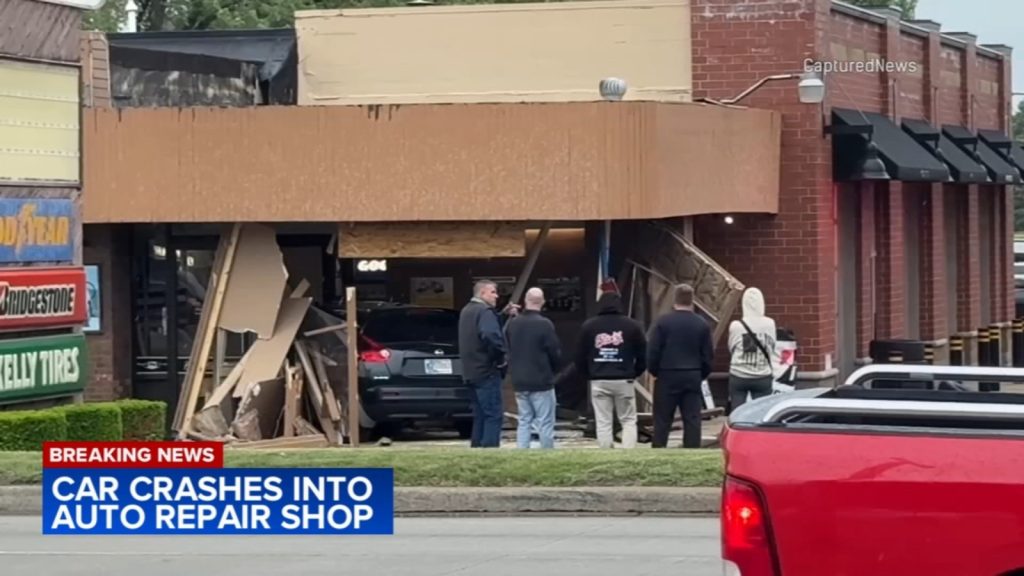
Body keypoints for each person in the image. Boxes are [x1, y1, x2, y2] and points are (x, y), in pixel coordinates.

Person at [576, 291, 646, 449]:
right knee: (628, 420)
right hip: (624, 379)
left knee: (603, 420)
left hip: (599, 380)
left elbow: (579, 356)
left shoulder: (589, 326)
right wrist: (635, 373)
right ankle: (628, 453)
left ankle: (606, 452)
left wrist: (588, 375)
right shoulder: (632, 326)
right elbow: (643, 354)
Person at [646, 283, 713, 449]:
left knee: (662, 418)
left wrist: (655, 371)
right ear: (692, 300)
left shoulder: (663, 323)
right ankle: (691, 450)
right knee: (692, 418)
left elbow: (653, 351)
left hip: (667, 373)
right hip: (692, 373)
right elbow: (708, 355)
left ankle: (659, 448)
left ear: (674, 299)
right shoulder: (701, 324)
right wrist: (702, 373)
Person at [505, 287, 562, 449]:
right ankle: (546, 454)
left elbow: (508, 346)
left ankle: (522, 452)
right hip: (541, 379)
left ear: (525, 301)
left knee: (524, 419)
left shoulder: (513, 324)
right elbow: (554, 351)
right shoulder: (545, 324)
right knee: (544, 420)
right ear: (542, 302)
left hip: (519, 379)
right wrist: (555, 370)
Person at [458, 279, 508, 448]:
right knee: (493, 415)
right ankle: (490, 452)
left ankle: (477, 451)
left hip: (470, 371)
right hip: (487, 370)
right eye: (493, 292)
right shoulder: (485, 311)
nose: (497, 296)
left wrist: (502, 316)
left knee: (480, 415)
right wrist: (500, 358)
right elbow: (490, 335)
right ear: (482, 293)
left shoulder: (466, 311)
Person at [727, 287, 777, 411]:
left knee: (737, 412)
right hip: (762, 374)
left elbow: (731, 347)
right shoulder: (770, 323)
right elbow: (772, 346)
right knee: (761, 412)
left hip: (738, 374)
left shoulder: (736, 325)